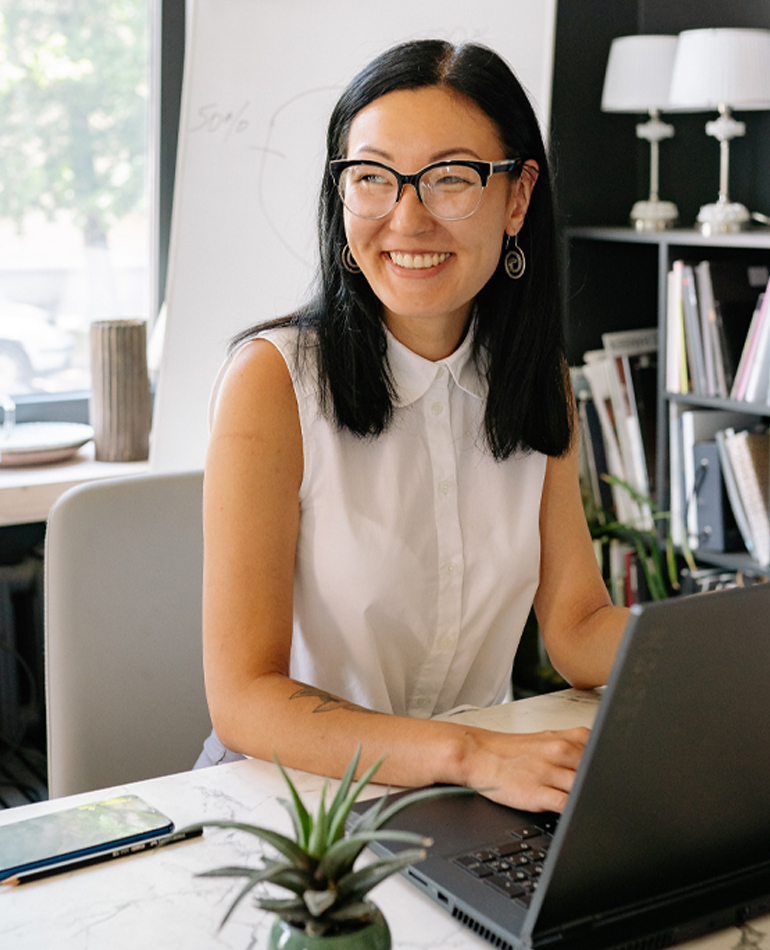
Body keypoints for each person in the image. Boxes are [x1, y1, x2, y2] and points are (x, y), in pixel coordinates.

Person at [197, 39, 629, 813]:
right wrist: (467, 754)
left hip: (470, 794)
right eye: (372, 179)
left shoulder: (536, 378)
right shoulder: (271, 383)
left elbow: (578, 625)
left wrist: (720, 655)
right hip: (294, 805)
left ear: (518, 197)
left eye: (452, 179)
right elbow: (245, 698)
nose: (407, 218)